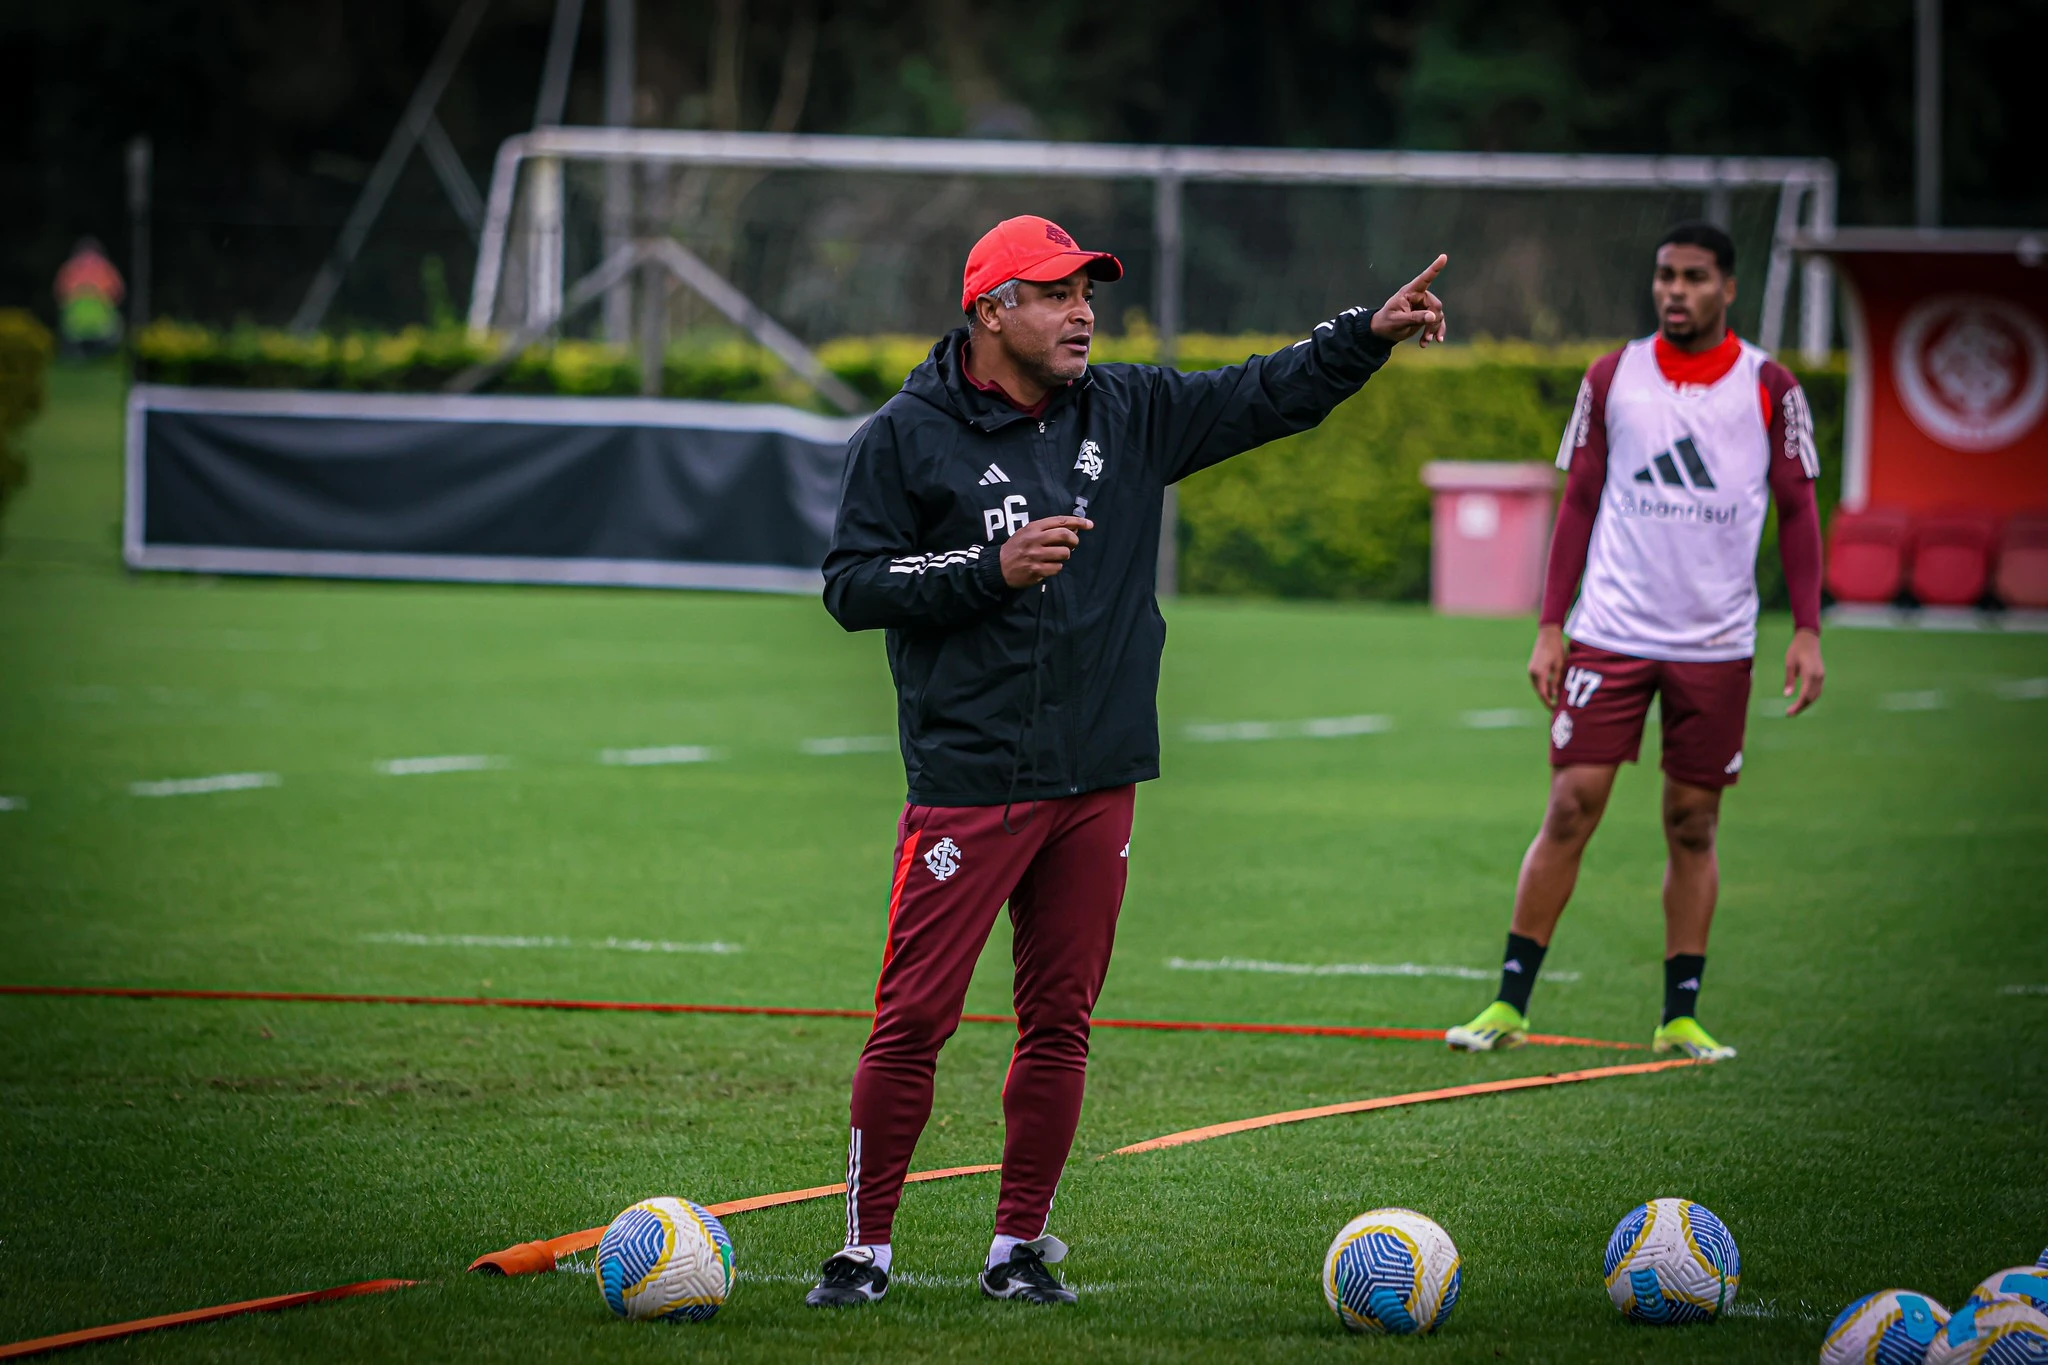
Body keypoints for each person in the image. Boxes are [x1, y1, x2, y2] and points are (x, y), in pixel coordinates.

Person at [811, 214, 1448, 1307]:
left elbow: (1262, 392)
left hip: (1096, 774)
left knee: (1059, 1023)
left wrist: (1365, 336)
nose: (1082, 313)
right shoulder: (903, 436)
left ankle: (1018, 1248)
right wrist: (988, 568)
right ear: (990, 311)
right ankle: (864, 1251)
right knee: (914, 1020)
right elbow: (851, 586)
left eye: (1087, 293)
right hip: (968, 784)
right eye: (1056, 294)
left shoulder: (1127, 410)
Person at [1445, 221, 1825, 1062]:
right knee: (1571, 805)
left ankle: (1679, 1016)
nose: (1674, 291)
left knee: (1693, 822)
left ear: (1728, 287)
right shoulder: (1613, 376)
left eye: (1693, 277)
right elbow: (1577, 500)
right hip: (1609, 633)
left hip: (1716, 641)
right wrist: (1551, 625)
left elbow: (1799, 510)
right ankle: (1508, 1004)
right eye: (1664, 276)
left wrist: (1807, 628)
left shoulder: (1771, 386)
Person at [54, 239, 125, 357]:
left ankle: (86, 353)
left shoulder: (70, 267)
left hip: (85, 320)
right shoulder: (104, 267)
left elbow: (60, 293)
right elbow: (118, 292)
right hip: (90, 320)